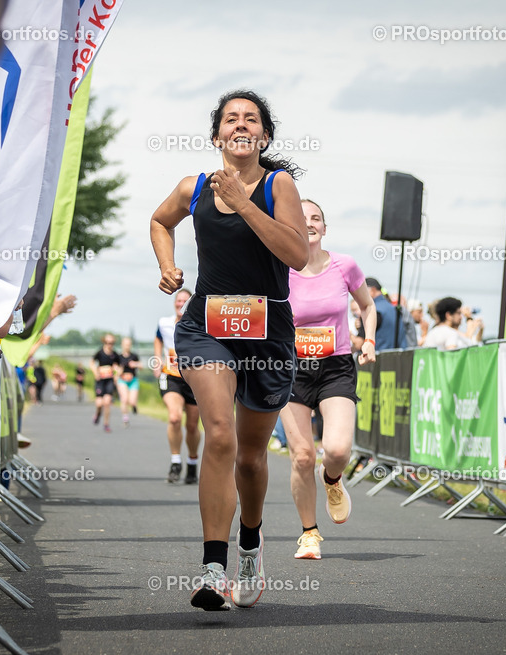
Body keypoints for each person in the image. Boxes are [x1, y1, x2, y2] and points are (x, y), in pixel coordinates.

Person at [150, 89, 309, 610]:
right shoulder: (193, 187)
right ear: (217, 133)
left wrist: (244, 204)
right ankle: (214, 567)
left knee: (250, 455)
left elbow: (297, 255)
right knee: (218, 430)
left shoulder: (277, 184)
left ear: (264, 135)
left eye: (251, 119)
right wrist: (168, 267)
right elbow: (159, 221)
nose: (240, 125)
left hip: (267, 332)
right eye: (230, 119)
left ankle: (250, 542)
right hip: (207, 325)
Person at [280, 199, 377, 560]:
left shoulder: (344, 265)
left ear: (324, 227)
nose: (308, 224)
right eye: (301, 218)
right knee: (303, 455)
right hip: (290, 369)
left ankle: (333, 479)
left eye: (316, 218)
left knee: (336, 450)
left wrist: (369, 340)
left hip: (335, 366)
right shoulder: (278, 268)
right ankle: (309, 534)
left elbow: (367, 305)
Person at [154, 289, 202, 484]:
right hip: (171, 376)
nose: (180, 303)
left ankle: (192, 461)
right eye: (178, 300)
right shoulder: (164, 323)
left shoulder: (199, 323)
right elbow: (158, 338)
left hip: (194, 378)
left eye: (185, 300)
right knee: (174, 418)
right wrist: (157, 359)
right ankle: (175, 462)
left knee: (192, 425)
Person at [365, 277, 409, 351]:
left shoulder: (374, 310)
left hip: (379, 357)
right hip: (397, 357)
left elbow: (362, 339)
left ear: (372, 290)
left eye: (364, 291)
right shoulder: (394, 309)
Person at [90, 334, 121, 432]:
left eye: (111, 343)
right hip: (100, 380)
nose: (109, 345)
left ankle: (106, 424)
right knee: (99, 404)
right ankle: (97, 415)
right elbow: (91, 363)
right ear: (104, 342)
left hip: (109, 381)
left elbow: (119, 367)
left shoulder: (115, 355)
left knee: (107, 402)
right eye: (107, 343)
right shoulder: (99, 353)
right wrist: (95, 372)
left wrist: (116, 375)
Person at [116, 337, 141, 427]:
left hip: (133, 380)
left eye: (129, 344)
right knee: (124, 399)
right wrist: (119, 370)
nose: (127, 346)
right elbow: (115, 368)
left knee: (132, 401)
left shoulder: (134, 356)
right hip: (122, 380)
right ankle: (125, 417)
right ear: (122, 345)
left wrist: (135, 364)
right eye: (126, 344)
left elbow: (141, 366)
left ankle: (134, 406)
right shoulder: (118, 357)